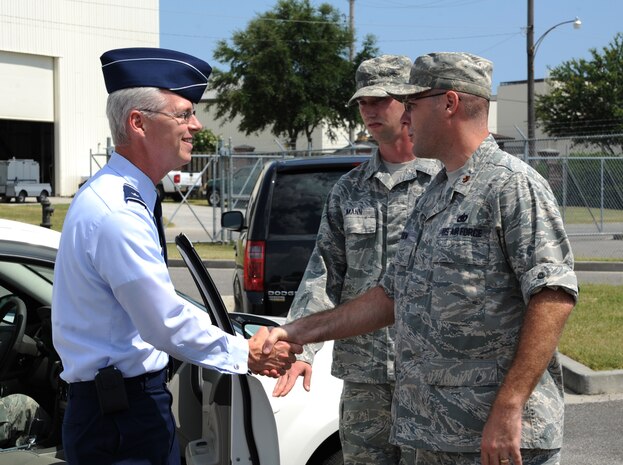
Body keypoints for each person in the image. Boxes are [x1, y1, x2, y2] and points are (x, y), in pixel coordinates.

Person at [264, 52, 578, 465]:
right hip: (428, 424)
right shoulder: (436, 195)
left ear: (448, 104)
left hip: (490, 428)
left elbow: (553, 294)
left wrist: (510, 405)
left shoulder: (511, 186)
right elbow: (385, 295)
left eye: (410, 103)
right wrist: (296, 335)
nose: (404, 116)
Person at [51, 47, 300, 465]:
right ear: (138, 123)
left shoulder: (119, 196)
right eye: (183, 114)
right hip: (121, 419)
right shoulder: (118, 212)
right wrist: (249, 353)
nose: (196, 125)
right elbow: (164, 322)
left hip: (123, 409)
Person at [273, 54, 440, 465]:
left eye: (380, 99)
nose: (368, 110)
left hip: (431, 375)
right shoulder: (349, 189)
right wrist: (301, 350)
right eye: (362, 101)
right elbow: (324, 274)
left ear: (409, 102)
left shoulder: (445, 182)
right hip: (364, 375)